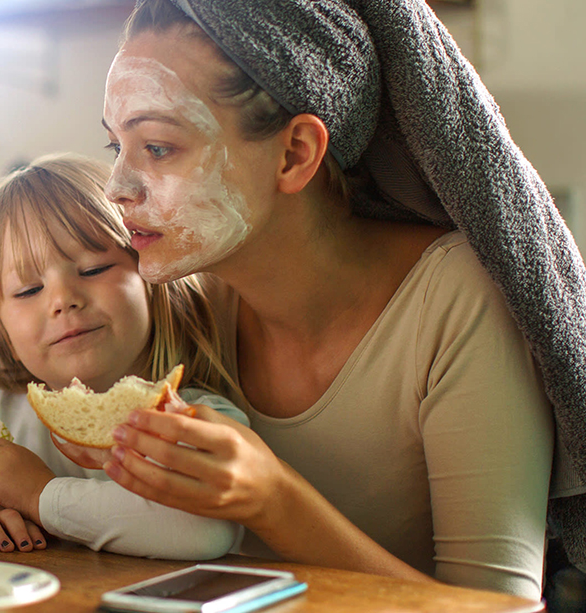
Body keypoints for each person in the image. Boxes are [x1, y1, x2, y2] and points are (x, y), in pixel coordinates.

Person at [70, 0, 578, 601]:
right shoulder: (189, 304)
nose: (118, 189)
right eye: (115, 148)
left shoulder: (456, 304)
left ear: (296, 154)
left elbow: (500, 608)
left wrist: (274, 500)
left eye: (157, 148)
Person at [0, 153, 245, 558]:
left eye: (94, 269)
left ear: (150, 279)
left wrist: (39, 495)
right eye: (28, 290)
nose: (63, 300)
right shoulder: (0, 415)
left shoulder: (193, 420)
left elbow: (202, 530)